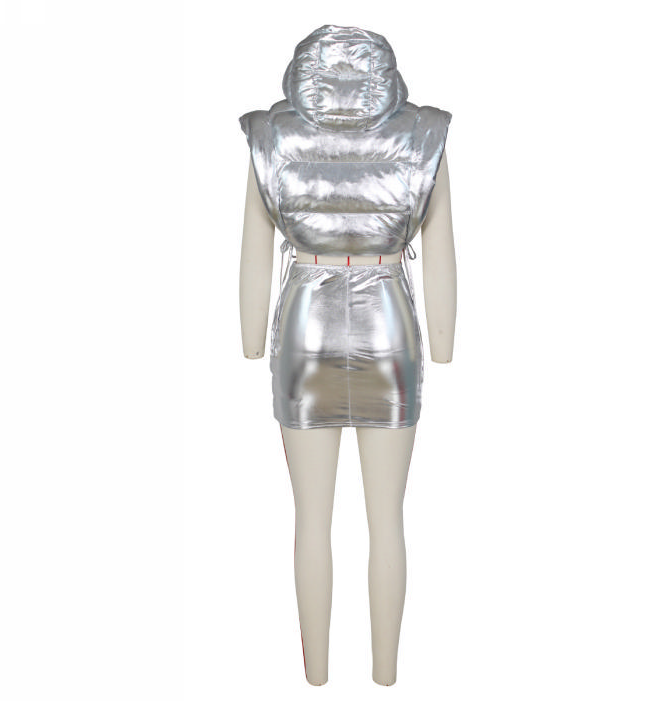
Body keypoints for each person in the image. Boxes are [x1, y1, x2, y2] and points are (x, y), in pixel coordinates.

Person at [239, 24, 456, 685]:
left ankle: (317, 678)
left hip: (306, 326)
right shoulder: (421, 134)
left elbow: (254, 248)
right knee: (387, 518)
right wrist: (443, 342)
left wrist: (251, 339)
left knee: (311, 519)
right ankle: (386, 675)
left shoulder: (272, 135)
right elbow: (441, 249)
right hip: (389, 324)